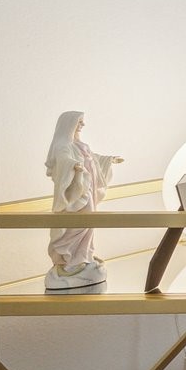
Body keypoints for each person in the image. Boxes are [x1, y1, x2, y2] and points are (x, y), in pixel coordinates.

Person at [45, 111, 121, 290]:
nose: (82, 125)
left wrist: (109, 160)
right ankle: (69, 258)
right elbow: (63, 160)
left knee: (88, 226)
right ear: (69, 124)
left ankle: (83, 256)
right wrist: (74, 166)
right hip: (76, 195)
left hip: (88, 190)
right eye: (79, 122)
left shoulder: (80, 144)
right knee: (77, 225)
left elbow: (93, 158)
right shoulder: (63, 144)